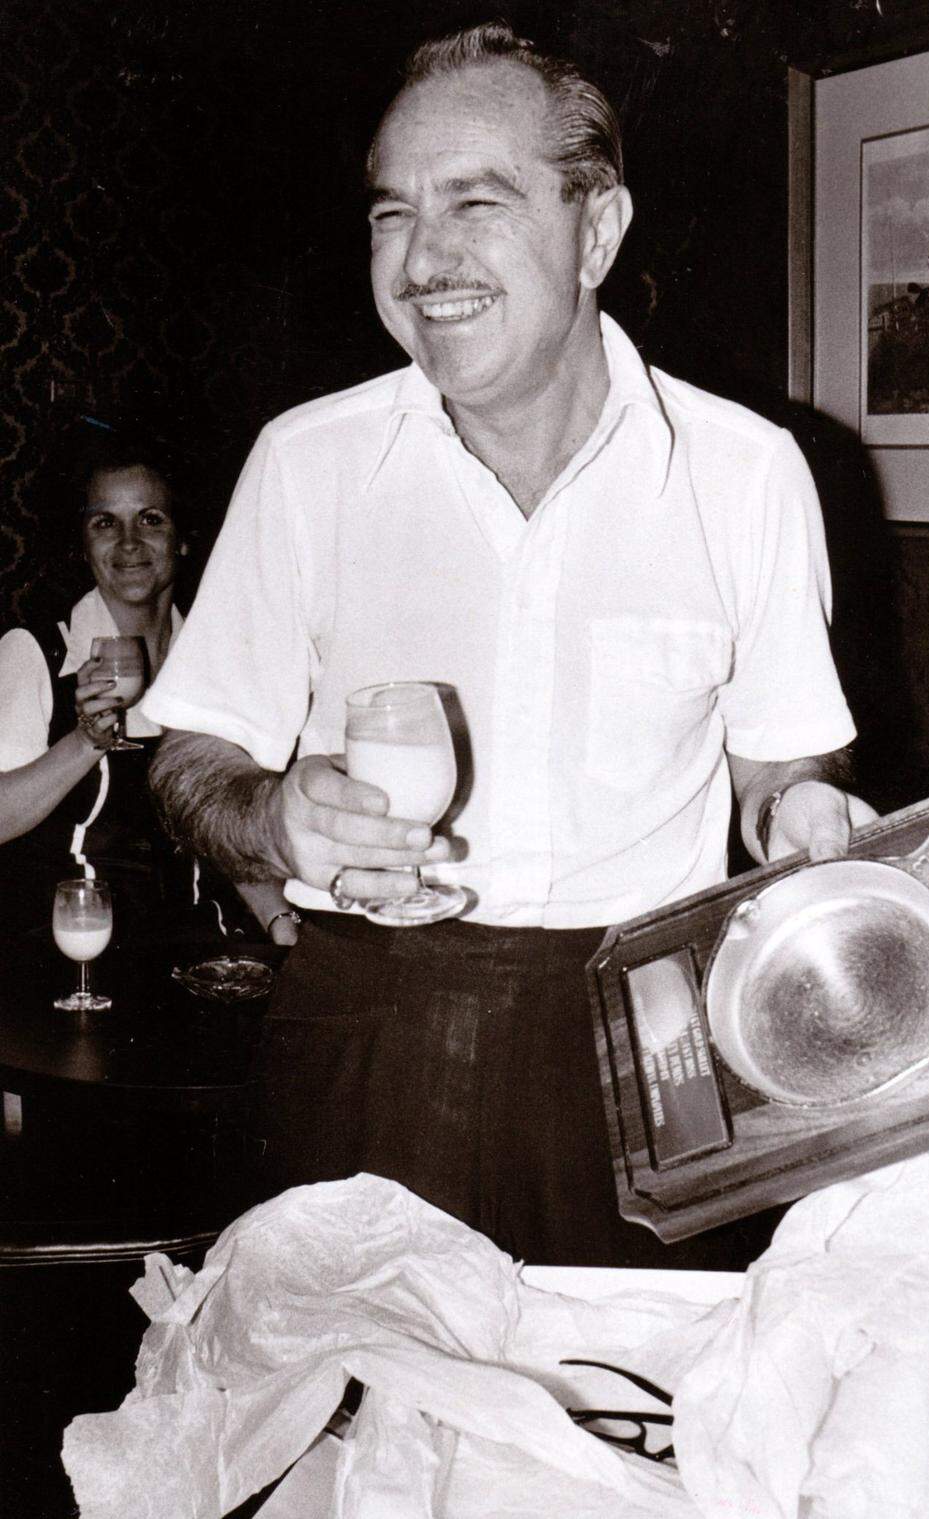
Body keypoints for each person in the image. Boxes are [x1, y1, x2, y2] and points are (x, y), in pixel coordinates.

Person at [144, 22, 875, 1269]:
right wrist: (276, 820)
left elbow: (781, 767)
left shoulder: (748, 475)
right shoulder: (308, 464)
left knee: (628, 1430)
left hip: (653, 1032)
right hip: (365, 1019)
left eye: (477, 202)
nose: (426, 259)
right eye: (392, 214)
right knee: (346, 1425)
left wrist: (803, 817)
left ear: (598, 232)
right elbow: (189, 756)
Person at [0, 422, 298, 948]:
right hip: (72, 958)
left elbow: (227, 830)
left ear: (182, 539)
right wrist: (85, 740)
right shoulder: (39, 653)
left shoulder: (220, 661)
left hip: (202, 950)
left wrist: (283, 926)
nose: (129, 543)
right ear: (83, 542)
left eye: (151, 519)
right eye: (104, 523)